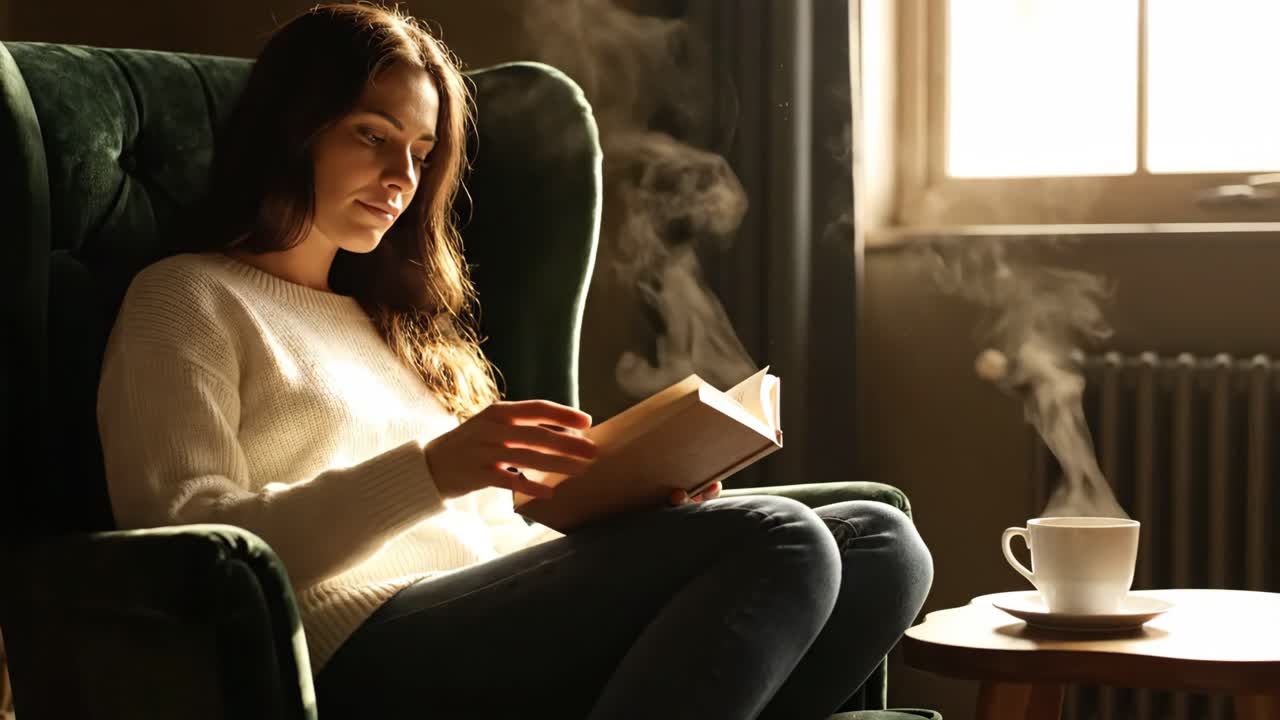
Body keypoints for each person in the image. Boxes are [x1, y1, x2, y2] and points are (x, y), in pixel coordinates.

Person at [96, 4, 933, 719]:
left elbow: (495, 538)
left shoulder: (393, 325)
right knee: (784, 539)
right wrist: (432, 469)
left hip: (494, 614)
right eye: (372, 136)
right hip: (359, 647)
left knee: (882, 544)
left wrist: (634, 505)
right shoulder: (188, 297)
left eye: (422, 153)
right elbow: (185, 546)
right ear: (293, 128)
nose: (402, 177)